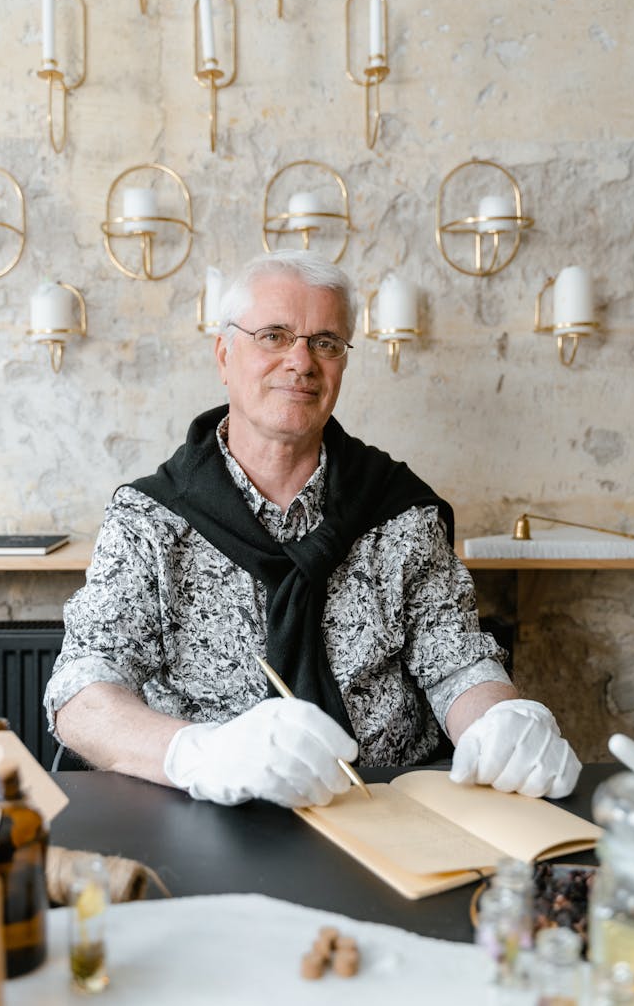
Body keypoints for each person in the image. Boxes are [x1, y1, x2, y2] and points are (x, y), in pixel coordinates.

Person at [45, 250, 580, 808]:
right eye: (274, 335)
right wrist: (200, 754)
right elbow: (81, 694)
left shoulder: (399, 510)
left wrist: (500, 720)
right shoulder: (151, 519)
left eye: (325, 342)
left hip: (392, 809)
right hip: (207, 814)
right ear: (224, 355)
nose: (301, 361)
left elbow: (458, 662)